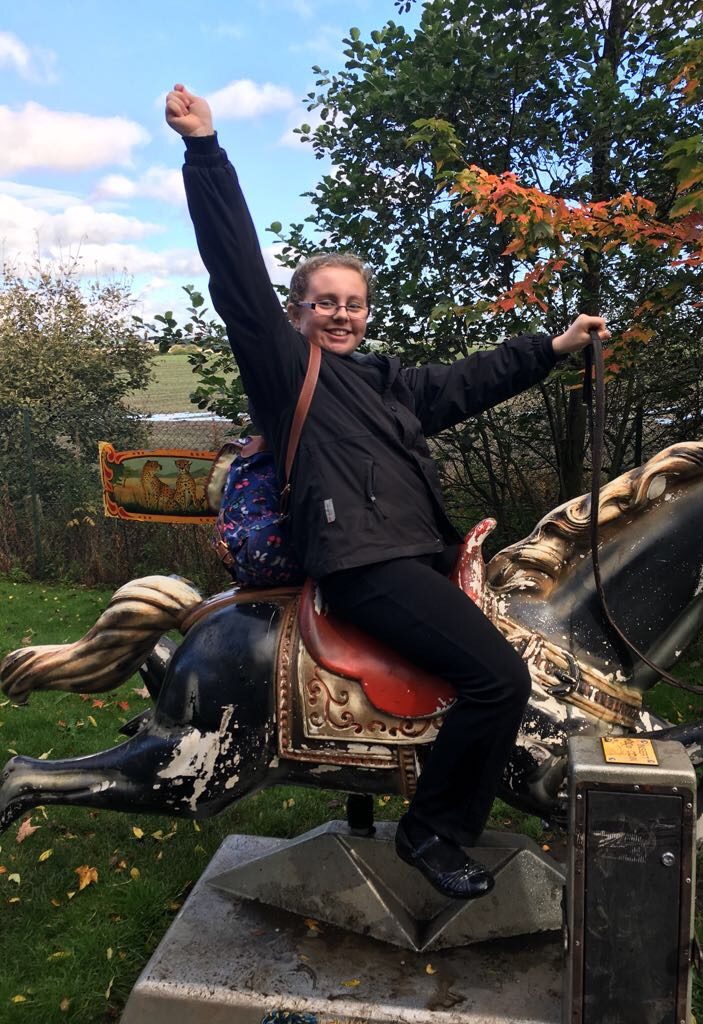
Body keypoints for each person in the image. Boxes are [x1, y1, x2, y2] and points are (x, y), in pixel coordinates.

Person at [166, 83, 610, 900]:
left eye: (354, 305)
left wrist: (551, 346)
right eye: (325, 304)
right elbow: (234, 272)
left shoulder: (387, 381)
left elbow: (470, 380)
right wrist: (206, 151)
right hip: (363, 565)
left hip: (418, 556)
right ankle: (432, 831)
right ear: (296, 313)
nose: (341, 316)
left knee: (510, 662)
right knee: (500, 680)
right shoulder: (285, 371)